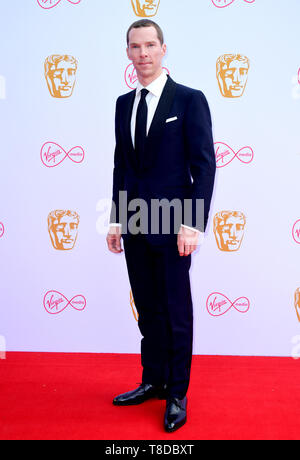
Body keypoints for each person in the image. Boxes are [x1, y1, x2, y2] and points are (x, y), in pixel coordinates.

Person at [106, 19, 216, 433]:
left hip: (174, 223)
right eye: (135, 46)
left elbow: (204, 166)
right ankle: (152, 380)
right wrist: (116, 218)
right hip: (134, 220)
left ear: (163, 49)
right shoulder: (122, 103)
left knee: (175, 309)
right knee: (148, 307)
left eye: (150, 45)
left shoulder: (189, 100)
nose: (143, 54)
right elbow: (122, 165)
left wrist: (193, 224)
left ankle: (177, 393)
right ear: (128, 53)